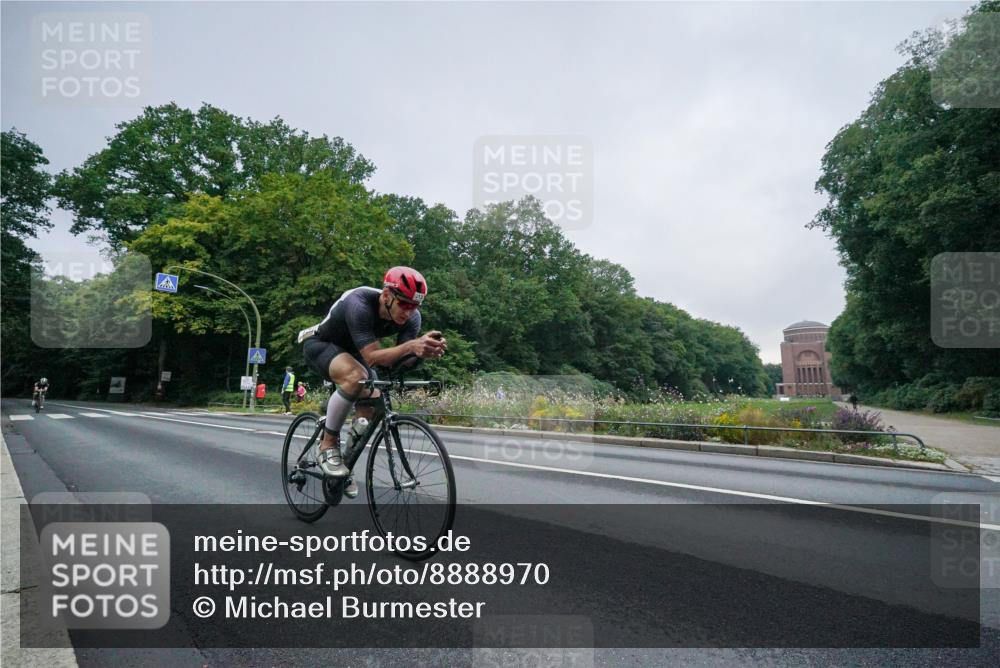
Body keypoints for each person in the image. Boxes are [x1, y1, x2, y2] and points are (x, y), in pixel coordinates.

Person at [299, 266, 446, 499]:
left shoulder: (411, 319)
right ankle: (327, 445)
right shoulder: (359, 303)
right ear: (387, 296)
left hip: (355, 353)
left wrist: (421, 353)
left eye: (415, 306)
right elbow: (372, 357)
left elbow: (394, 362)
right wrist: (411, 346)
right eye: (404, 304)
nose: (409, 312)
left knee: (374, 401)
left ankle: (344, 465)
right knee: (357, 376)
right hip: (321, 345)